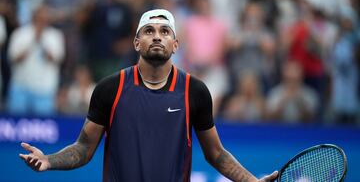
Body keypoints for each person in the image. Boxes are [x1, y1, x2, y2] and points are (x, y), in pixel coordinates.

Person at [19, 9, 277, 182]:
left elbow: (216, 154)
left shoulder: (195, 91)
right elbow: (84, 148)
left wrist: (252, 181)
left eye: (165, 32)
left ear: (175, 45)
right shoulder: (111, 88)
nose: (157, 36)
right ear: (136, 42)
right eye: (149, 31)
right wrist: (49, 160)